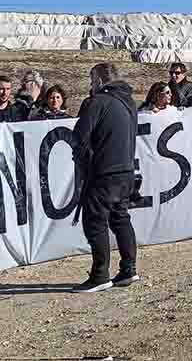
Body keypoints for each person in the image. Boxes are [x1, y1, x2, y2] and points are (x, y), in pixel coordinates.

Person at [71, 62, 139, 292]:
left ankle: (100, 275)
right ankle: (128, 269)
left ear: (99, 81)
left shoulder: (97, 102)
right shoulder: (129, 102)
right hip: (126, 171)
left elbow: (80, 138)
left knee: (95, 221)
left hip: (103, 172)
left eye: (92, 80)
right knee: (120, 217)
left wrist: (84, 163)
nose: (90, 85)